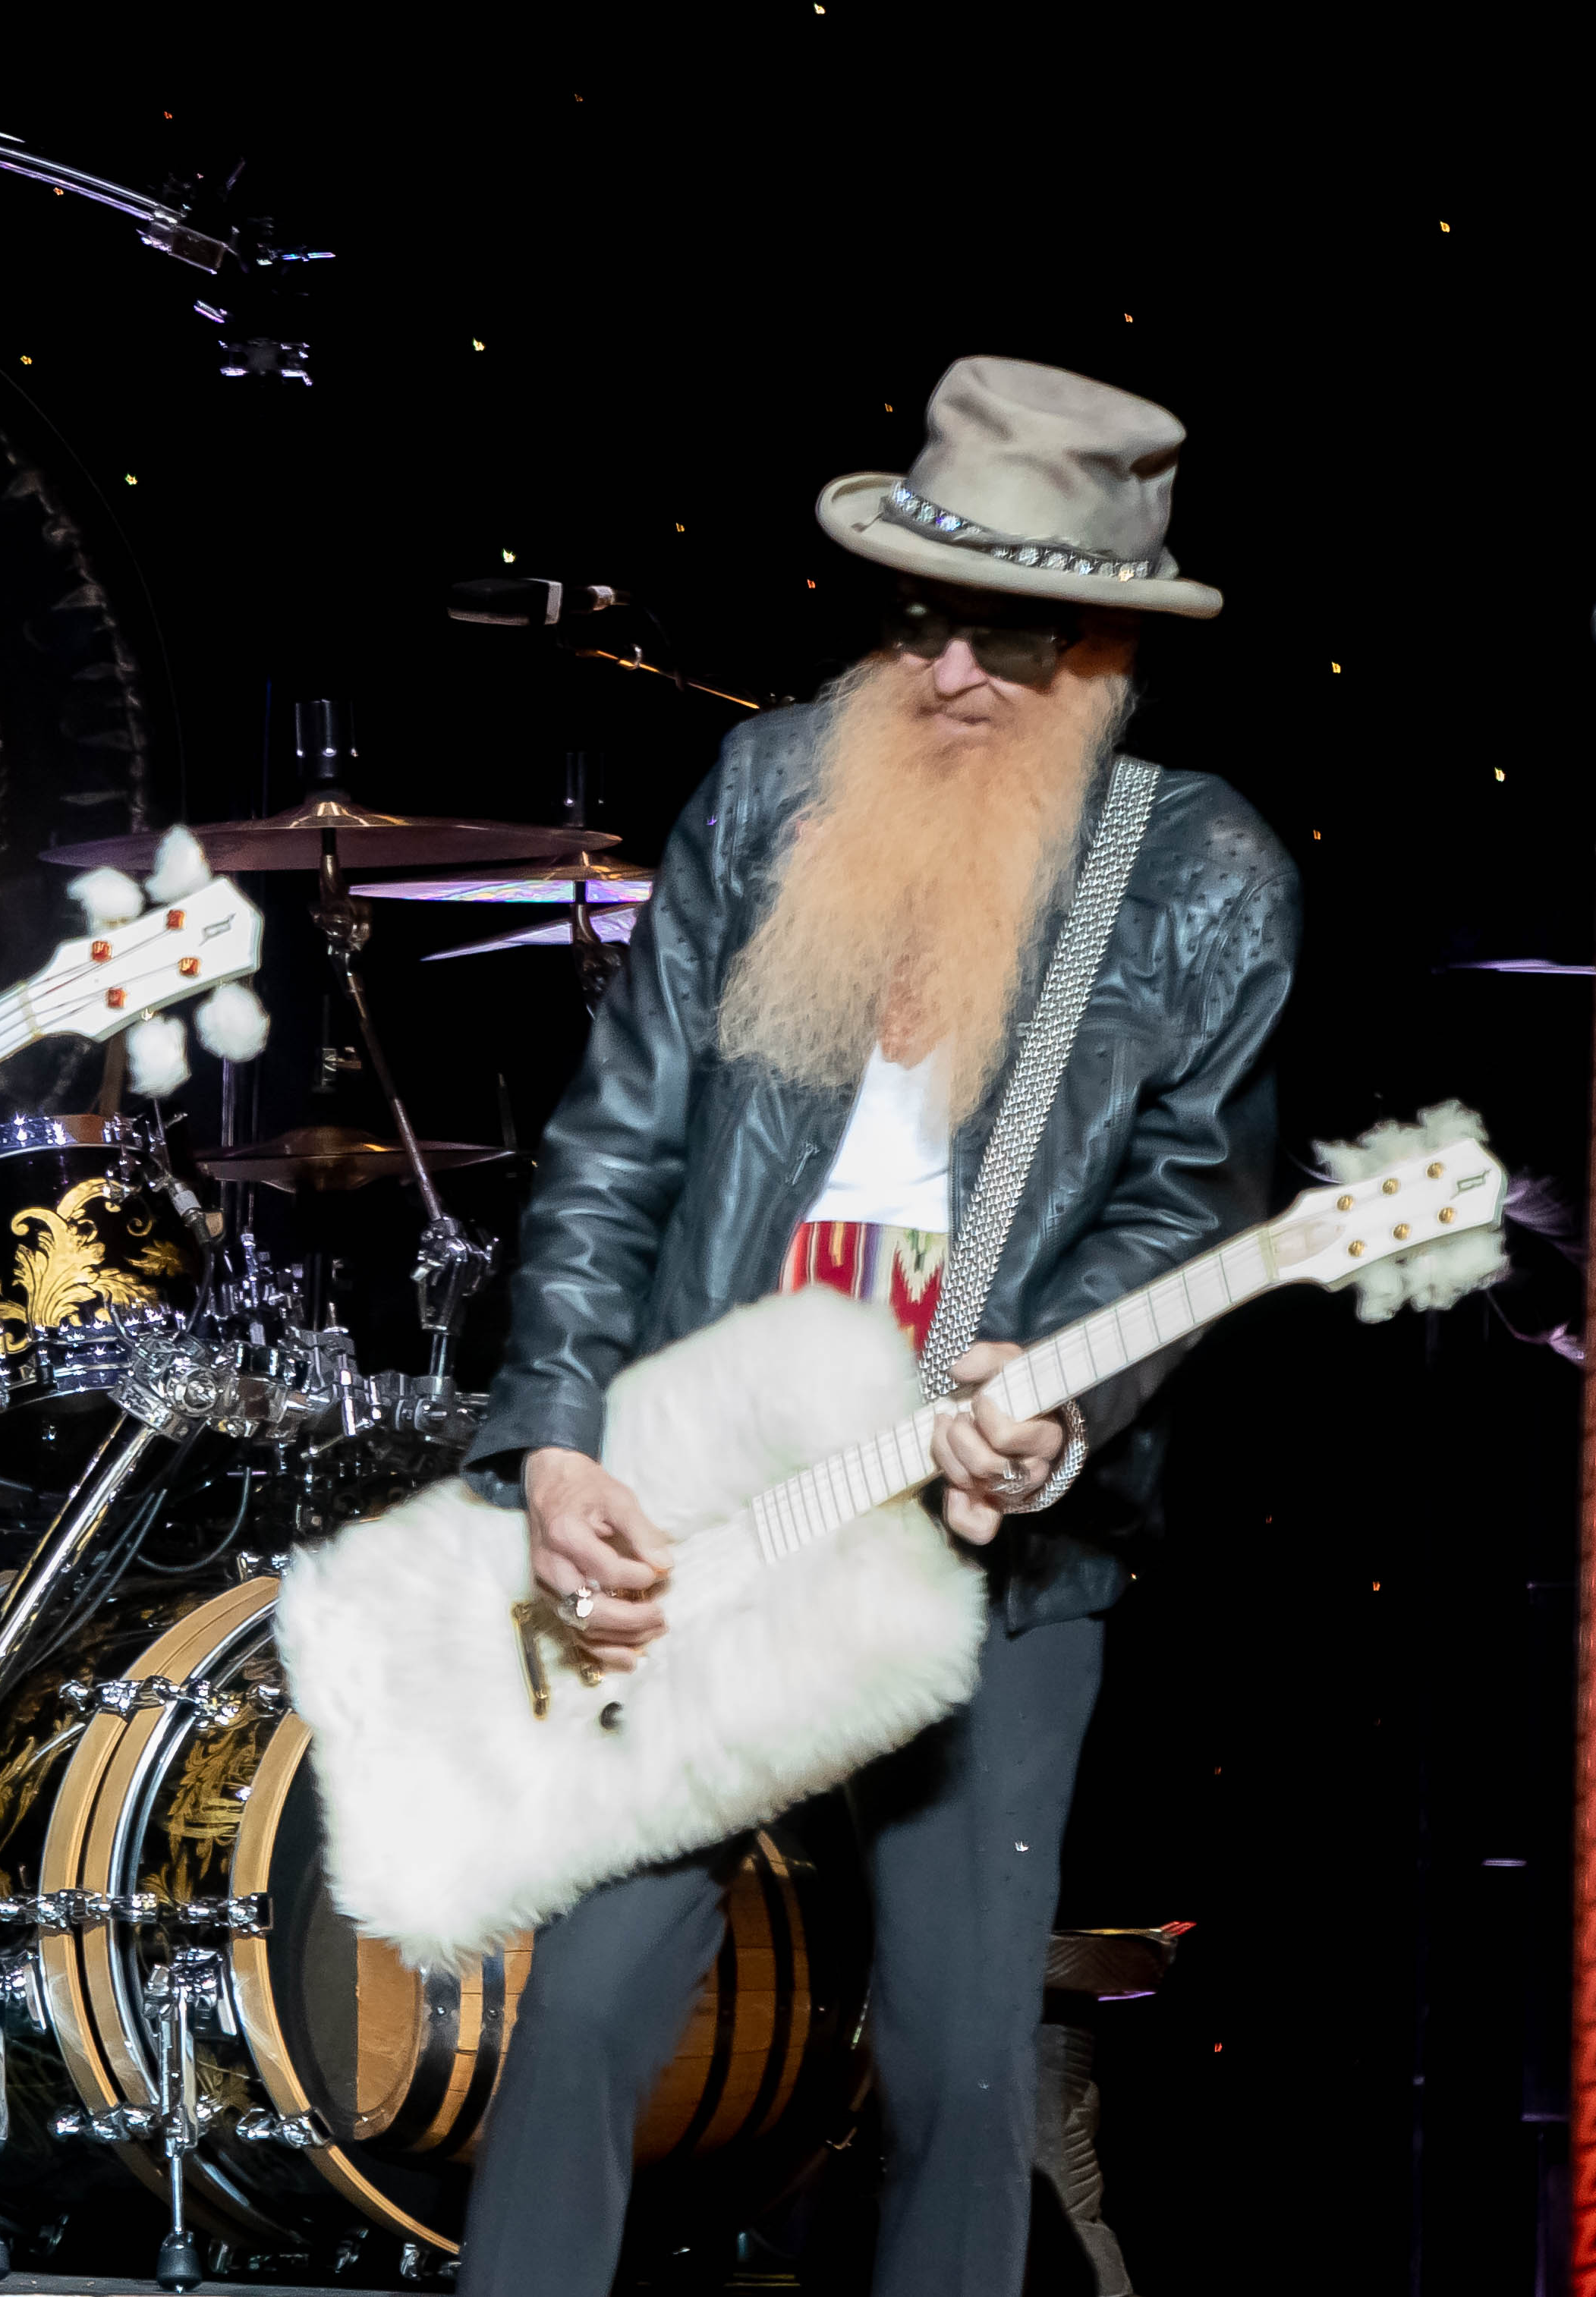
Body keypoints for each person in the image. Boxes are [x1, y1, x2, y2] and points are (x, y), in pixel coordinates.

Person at [456, 357, 1299, 2292]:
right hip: (721, 1502)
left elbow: (1190, 1200)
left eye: (1010, 634)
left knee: (957, 2063)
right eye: (923, 617)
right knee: (581, 2010)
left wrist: (1059, 1390)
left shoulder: (1198, 867)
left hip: (985, 1548)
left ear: (1107, 647)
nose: (951, 672)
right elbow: (615, 1137)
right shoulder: (771, 786)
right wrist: (557, 1434)